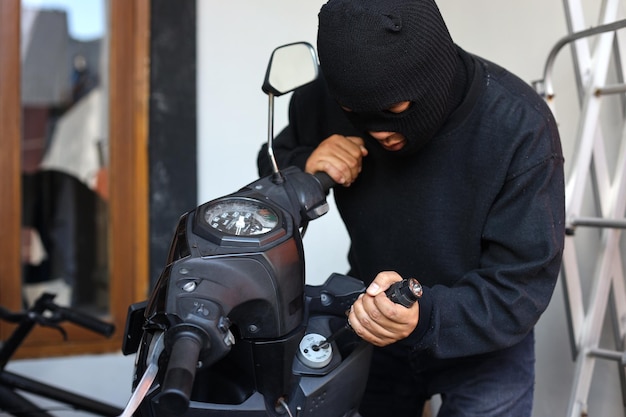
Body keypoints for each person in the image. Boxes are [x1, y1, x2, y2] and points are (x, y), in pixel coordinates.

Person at [257, 0, 565, 415]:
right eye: (356, 116)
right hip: (372, 323)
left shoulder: (519, 126)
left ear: (434, 77)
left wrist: (425, 318)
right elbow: (271, 161)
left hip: (484, 339)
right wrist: (303, 167)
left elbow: (520, 288)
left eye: (395, 111)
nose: (380, 132)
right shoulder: (328, 98)